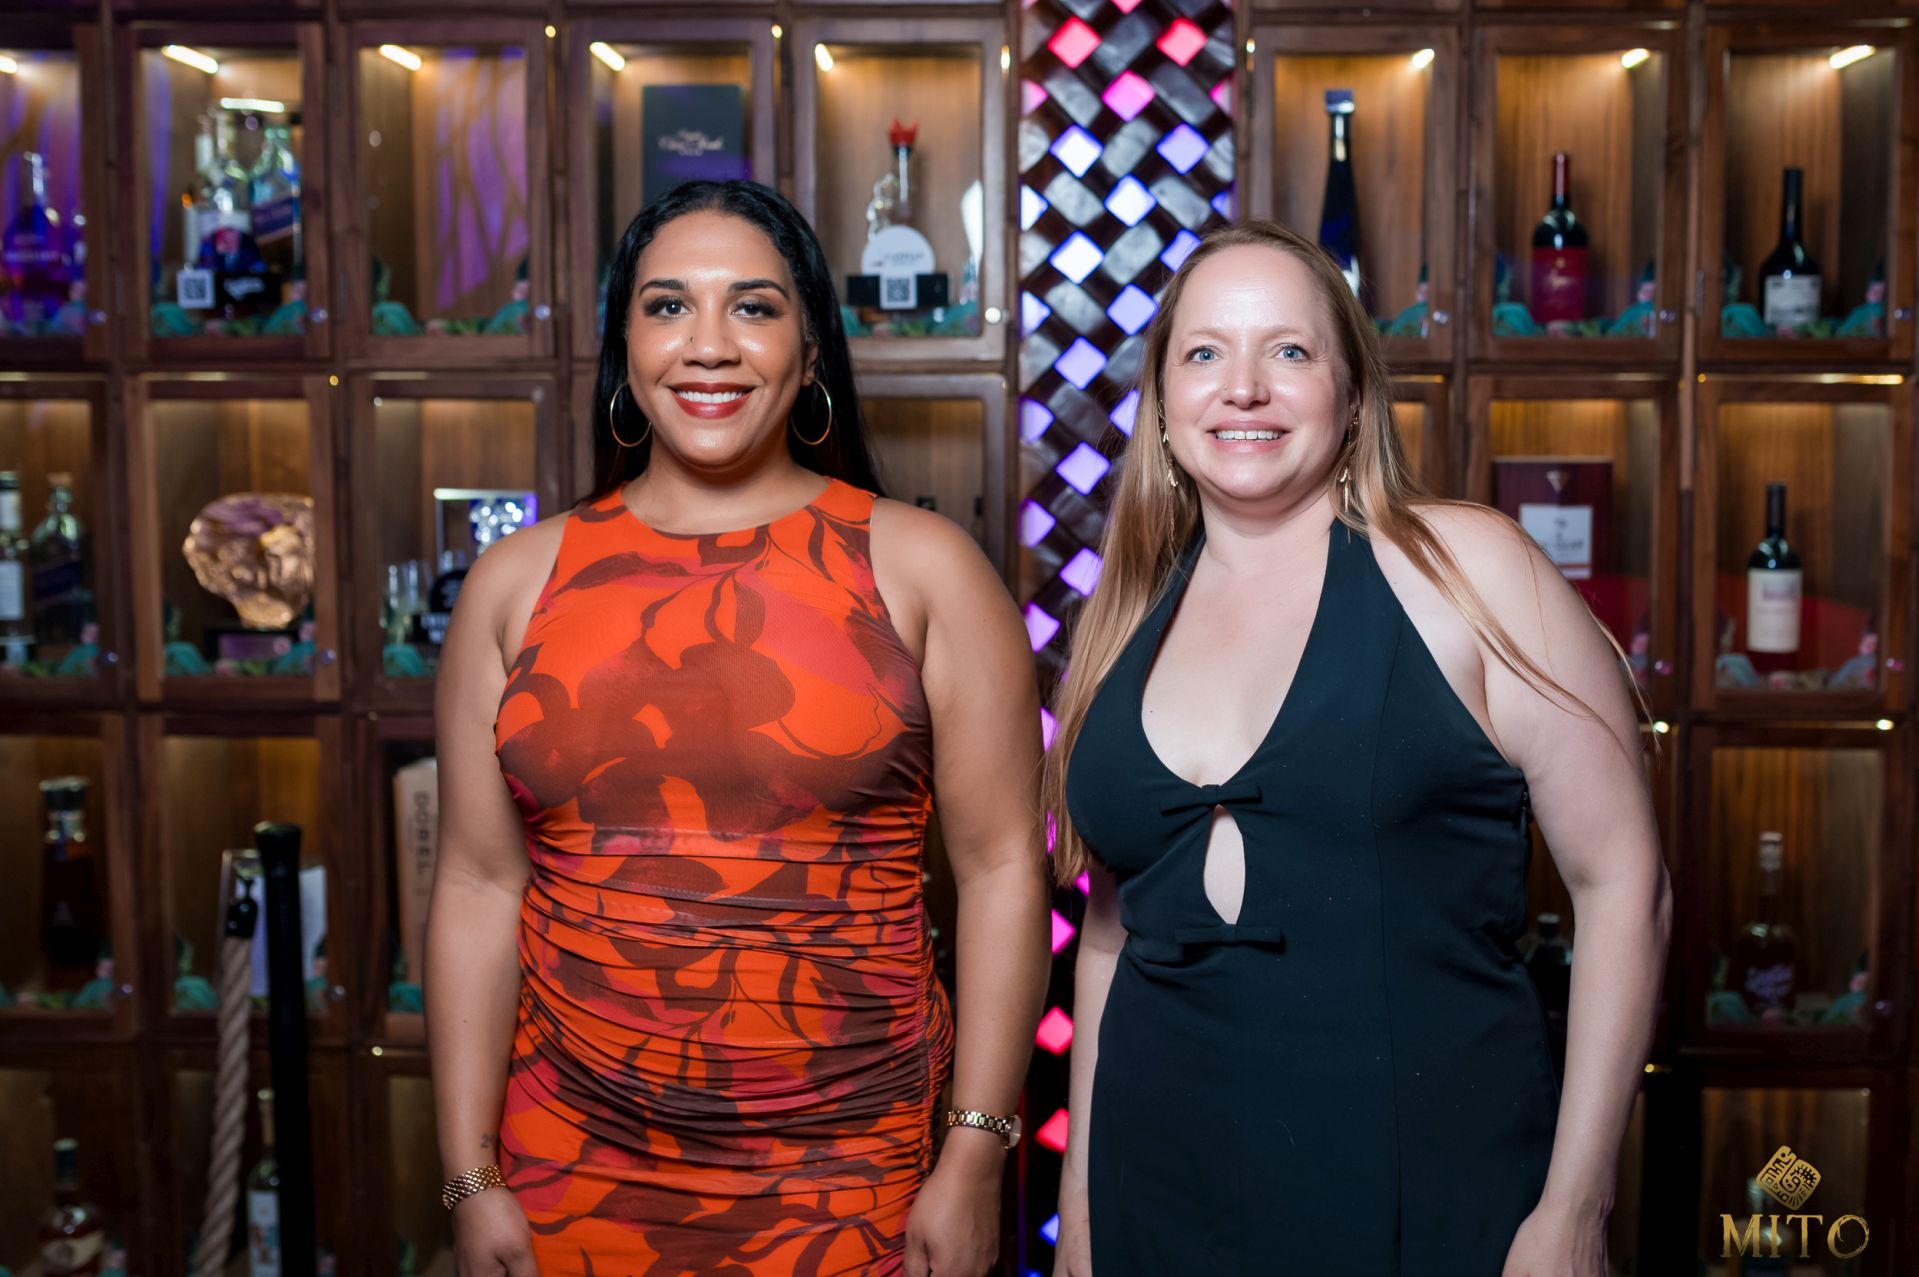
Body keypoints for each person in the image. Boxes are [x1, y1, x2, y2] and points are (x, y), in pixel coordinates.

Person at [426, 179, 1051, 1277]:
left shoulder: (922, 568)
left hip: (854, 1178)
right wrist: (469, 1176)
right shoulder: (515, 582)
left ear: (809, 355)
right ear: (624, 350)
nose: (707, 344)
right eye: (667, 306)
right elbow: (478, 885)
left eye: (752, 307)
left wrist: (974, 1154)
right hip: (568, 1171)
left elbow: (1003, 867)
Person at [1043, 220, 1672, 1276]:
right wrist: (1082, 1211)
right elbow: (1111, 933)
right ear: (1160, 402)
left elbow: (1624, 885)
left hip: (1425, 1195)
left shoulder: (1464, 570)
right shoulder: (1123, 623)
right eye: (1204, 353)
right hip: (1158, 1197)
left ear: (1350, 395)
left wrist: (1574, 1208)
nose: (1242, 387)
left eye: (1287, 350)